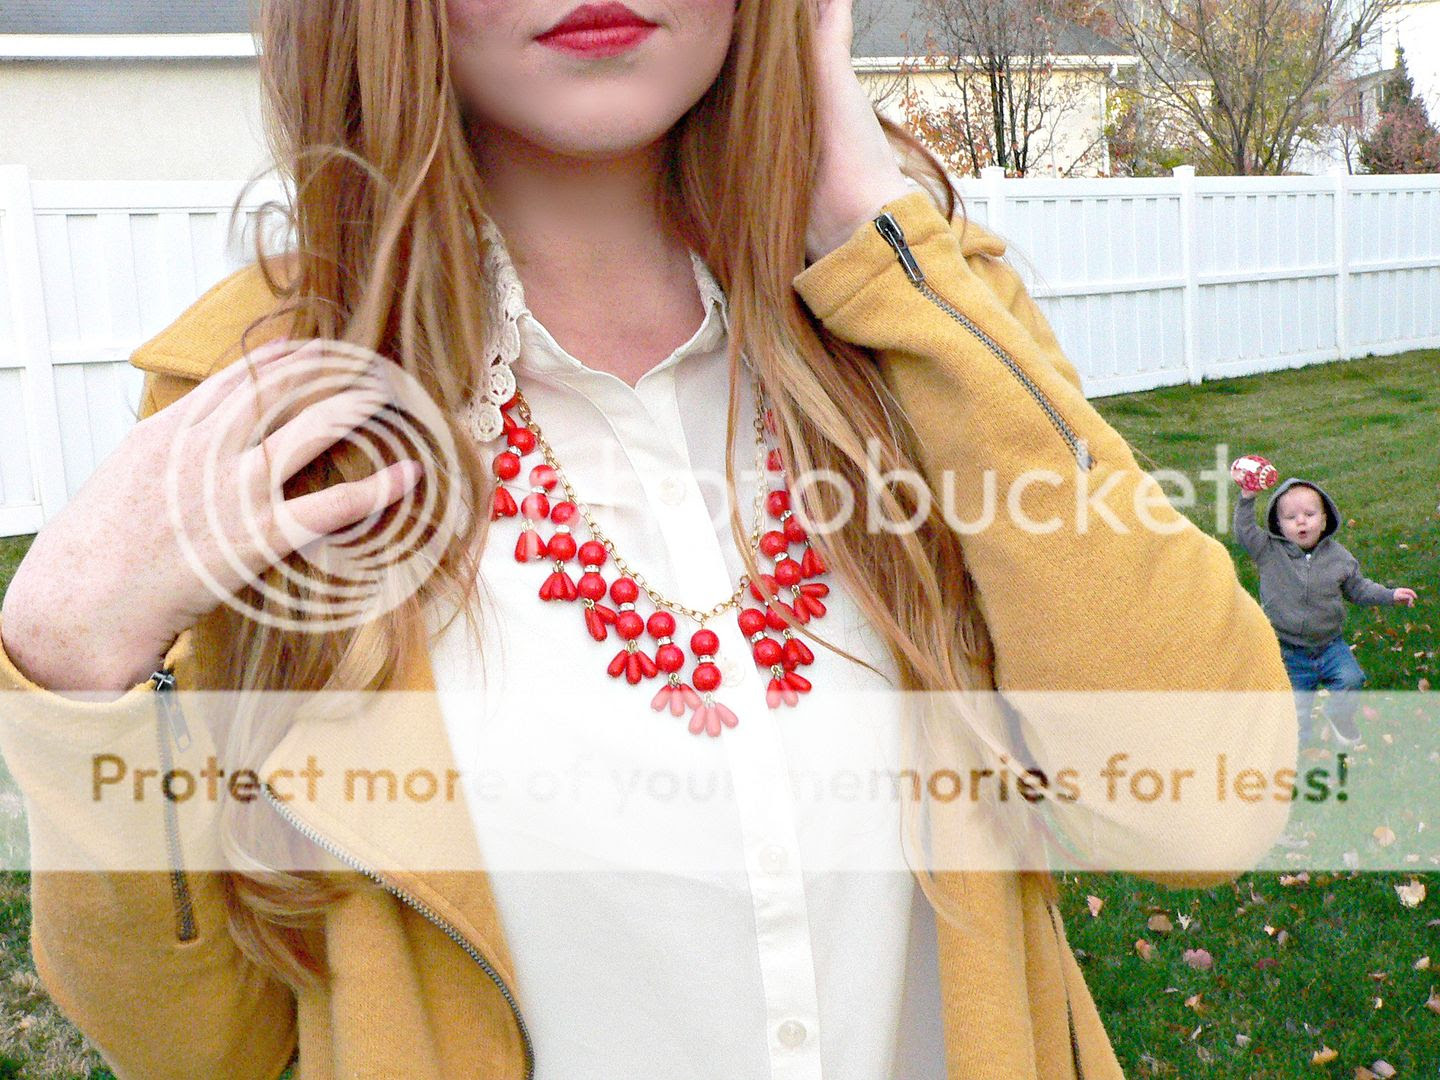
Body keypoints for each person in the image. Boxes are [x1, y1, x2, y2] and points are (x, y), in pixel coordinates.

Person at [0, 2, 1297, 1077]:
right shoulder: (263, 417)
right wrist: (72, 673)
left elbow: (1204, 805)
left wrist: (884, 250)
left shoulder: (920, 314)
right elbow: (199, 1045)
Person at [1232, 459, 1418, 750]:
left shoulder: (1339, 557)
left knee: (1351, 680)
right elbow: (1244, 531)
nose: (1301, 521)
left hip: (1330, 645)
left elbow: (1358, 589)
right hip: (1287, 649)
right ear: (1278, 524)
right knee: (1296, 704)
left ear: (1324, 519)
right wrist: (1247, 497)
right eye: (1291, 517)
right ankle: (1297, 741)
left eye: (1309, 514)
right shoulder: (1268, 551)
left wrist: (1390, 595)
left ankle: (1339, 716)